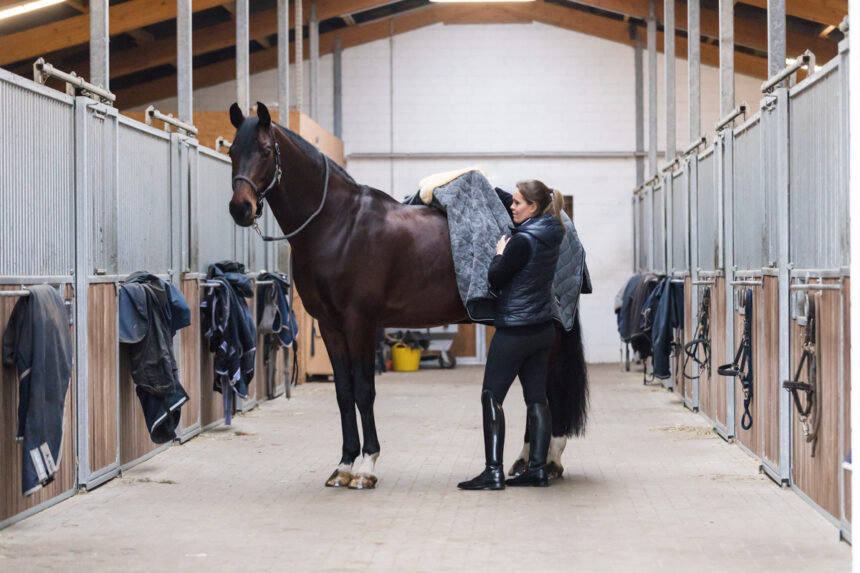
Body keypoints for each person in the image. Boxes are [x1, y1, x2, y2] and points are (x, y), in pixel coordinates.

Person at [458, 179, 565, 490]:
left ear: (533, 207)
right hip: (542, 329)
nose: (512, 207)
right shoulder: (554, 231)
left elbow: (496, 278)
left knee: (491, 396)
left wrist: (498, 254)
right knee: (536, 399)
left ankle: (493, 471)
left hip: (514, 332)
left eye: (518, 203)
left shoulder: (520, 242)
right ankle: (537, 470)